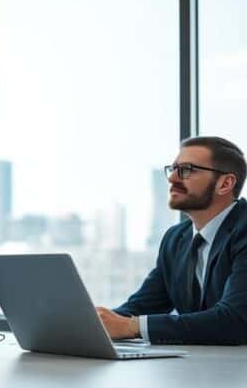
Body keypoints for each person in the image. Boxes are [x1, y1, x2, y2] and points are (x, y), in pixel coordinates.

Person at [97, 136, 247, 345]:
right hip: (203, 370)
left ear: (225, 183)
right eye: (173, 169)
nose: (172, 178)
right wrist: (92, 325)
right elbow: (141, 307)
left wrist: (131, 327)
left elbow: (235, 321)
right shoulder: (176, 239)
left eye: (186, 170)